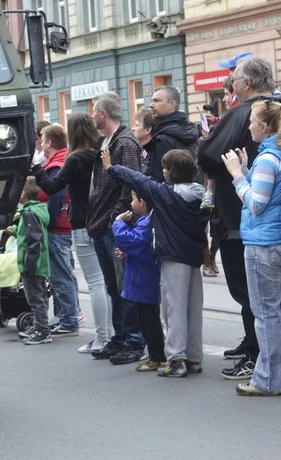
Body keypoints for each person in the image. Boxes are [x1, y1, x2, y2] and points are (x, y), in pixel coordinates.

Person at [221, 99, 281, 396]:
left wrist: (237, 175)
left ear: (264, 126)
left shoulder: (268, 158)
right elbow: (274, 194)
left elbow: (257, 204)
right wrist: (248, 170)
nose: (248, 125)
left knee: (266, 312)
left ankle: (267, 379)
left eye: (251, 120)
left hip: (265, 245)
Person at [198, 56, 281, 380]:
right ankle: (255, 345)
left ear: (246, 83)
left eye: (234, 79)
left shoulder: (244, 112)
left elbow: (207, 153)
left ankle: (257, 354)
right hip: (273, 216)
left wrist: (208, 143)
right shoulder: (280, 107)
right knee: (268, 297)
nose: (231, 84)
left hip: (241, 216)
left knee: (249, 293)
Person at [105, 149, 210, 377]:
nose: (162, 171)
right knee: (192, 309)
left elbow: (138, 180)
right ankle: (194, 358)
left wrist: (111, 168)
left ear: (172, 172)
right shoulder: (201, 194)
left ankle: (175, 360)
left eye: (165, 167)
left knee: (173, 309)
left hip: (173, 258)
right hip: (193, 258)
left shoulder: (166, 194)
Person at [31, 114, 108, 353]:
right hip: (102, 220)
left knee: (94, 283)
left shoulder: (74, 159)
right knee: (106, 282)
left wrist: (36, 167)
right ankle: (111, 334)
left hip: (82, 224)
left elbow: (53, 187)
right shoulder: (100, 154)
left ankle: (102, 337)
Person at [87, 92, 144, 363]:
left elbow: (131, 181)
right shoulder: (106, 141)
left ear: (102, 114)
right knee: (113, 287)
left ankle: (133, 340)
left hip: (114, 226)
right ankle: (120, 338)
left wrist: (116, 217)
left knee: (125, 287)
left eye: (93, 111)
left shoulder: (124, 142)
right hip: (102, 225)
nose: (91, 116)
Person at [33, 124, 79, 337]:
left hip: (57, 228)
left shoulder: (55, 165)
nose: (41, 143)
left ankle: (69, 319)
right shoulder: (60, 160)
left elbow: (56, 196)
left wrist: (48, 223)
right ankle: (66, 317)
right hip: (61, 226)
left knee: (61, 276)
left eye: (42, 140)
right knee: (63, 274)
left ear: (49, 142)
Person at [111, 192, 165, 372]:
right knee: (148, 316)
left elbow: (131, 240)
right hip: (144, 275)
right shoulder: (147, 219)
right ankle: (155, 354)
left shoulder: (146, 221)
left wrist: (118, 222)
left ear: (142, 203)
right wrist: (128, 251)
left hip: (143, 277)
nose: (131, 203)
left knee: (148, 318)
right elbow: (139, 245)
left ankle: (157, 356)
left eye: (134, 199)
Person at [16, 177, 52, 345]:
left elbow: (33, 240)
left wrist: (28, 264)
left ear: (23, 194)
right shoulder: (38, 211)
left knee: (35, 298)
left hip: (32, 263)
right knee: (40, 295)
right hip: (39, 262)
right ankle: (39, 325)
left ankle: (43, 331)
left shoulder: (29, 213)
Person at [145, 86, 200, 182]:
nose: (151, 105)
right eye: (151, 101)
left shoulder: (162, 139)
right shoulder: (189, 129)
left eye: (157, 101)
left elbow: (157, 179)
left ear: (172, 104)